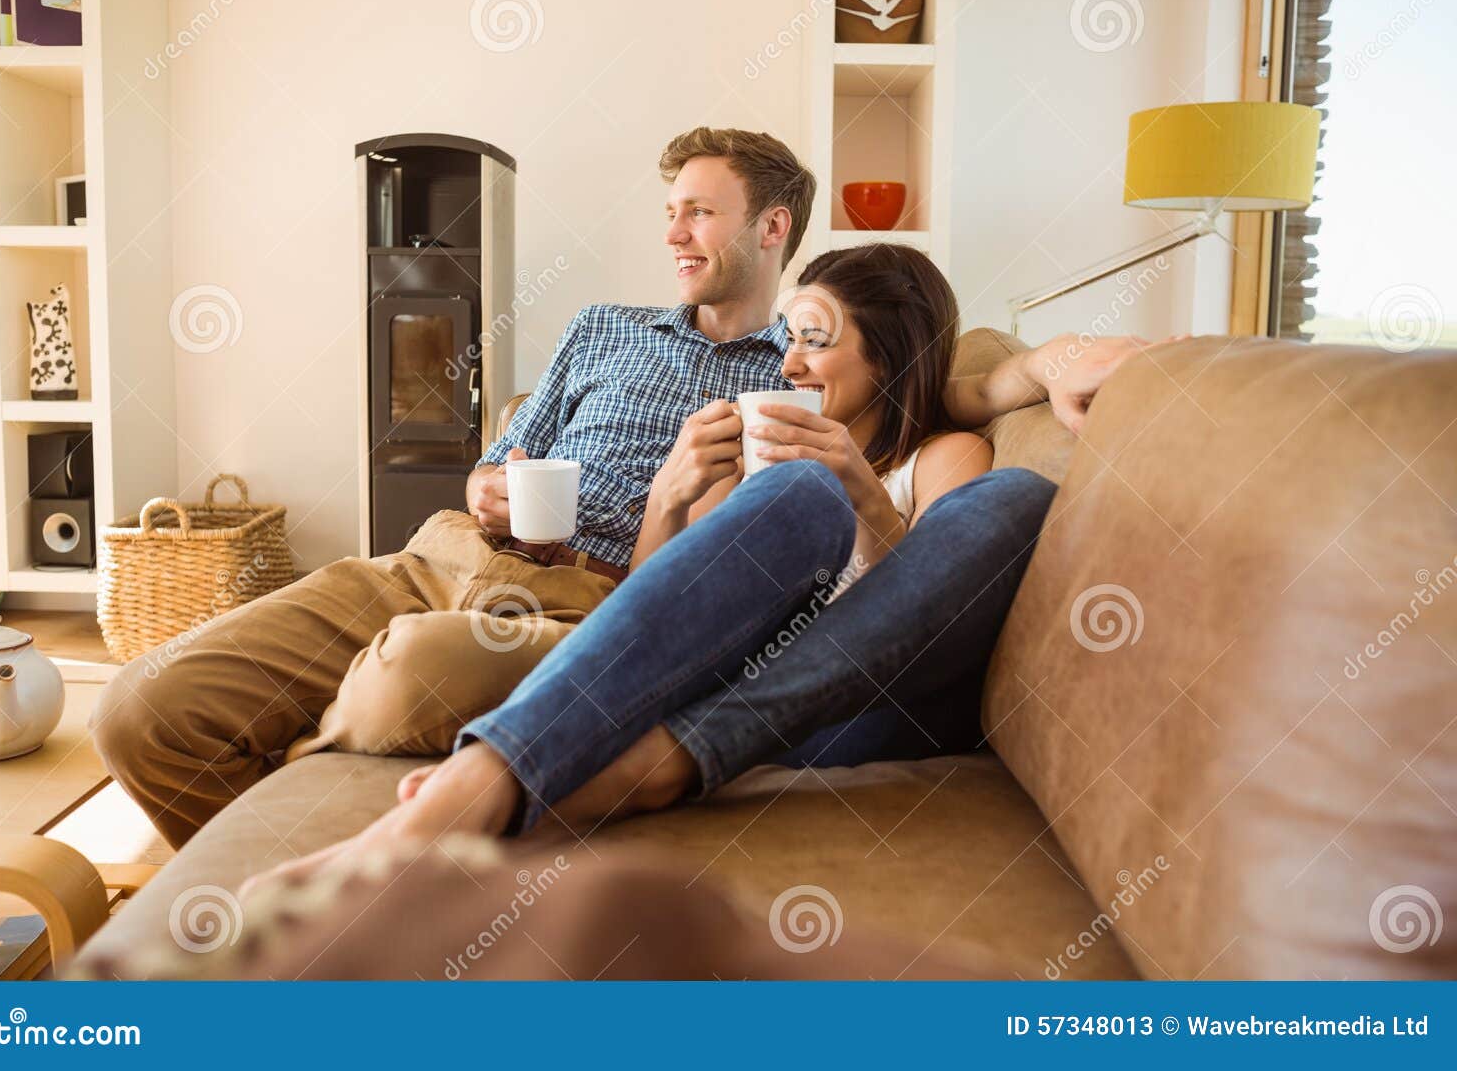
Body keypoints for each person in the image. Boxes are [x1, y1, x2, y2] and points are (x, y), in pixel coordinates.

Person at [91, 125, 1145, 851]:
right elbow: (502, 451)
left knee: (404, 677)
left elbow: (933, 384)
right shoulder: (600, 326)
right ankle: (271, 932)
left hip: (592, 597)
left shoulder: (804, 369)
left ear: (772, 228)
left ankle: (391, 891)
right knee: (143, 710)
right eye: (669, 210)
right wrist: (492, 485)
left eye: (699, 211)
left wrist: (1036, 365)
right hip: (439, 555)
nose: (675, 231)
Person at [240, 239, 1145, 895]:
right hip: (738, 706)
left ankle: (618, 768)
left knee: (1013, 504)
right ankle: (503, 780)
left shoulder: (941, 456)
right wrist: (674, 496)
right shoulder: (767, 474)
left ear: (891, 355)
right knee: (799, 503)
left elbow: (942, 605)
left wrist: (863, 492)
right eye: (789, 335)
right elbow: (642, 618)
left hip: (862, 709)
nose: (788, 360)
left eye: (817, 339)